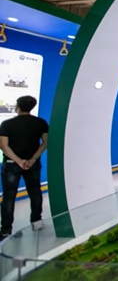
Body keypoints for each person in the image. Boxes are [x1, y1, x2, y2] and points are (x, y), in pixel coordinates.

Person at [0, 96, 49, 240]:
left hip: (11, 164)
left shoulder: (7, 124)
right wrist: (33, 159)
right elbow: (45, 142)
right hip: (32, 164)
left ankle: (6, 230)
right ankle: (37, 222)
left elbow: (3, 145)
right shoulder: (41, 123)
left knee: (9, 197)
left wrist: (18, 161)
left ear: (17, 107)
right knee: (35, 192)